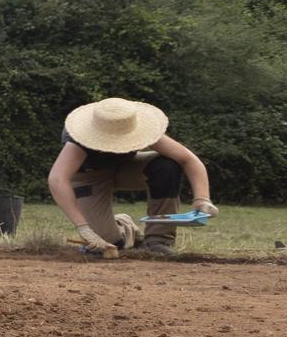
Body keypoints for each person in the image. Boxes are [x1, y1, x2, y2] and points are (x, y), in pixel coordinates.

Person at [49, 97, 217, 258]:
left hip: (125, 169)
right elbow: (57, 179)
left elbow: (188, 159)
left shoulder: (139, 129)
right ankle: (125, 227)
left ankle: (158, 240)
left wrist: (202, 200)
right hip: (89, 178)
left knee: (167, 165)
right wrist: (83, 227)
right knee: (107, 244)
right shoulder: (78, 140)